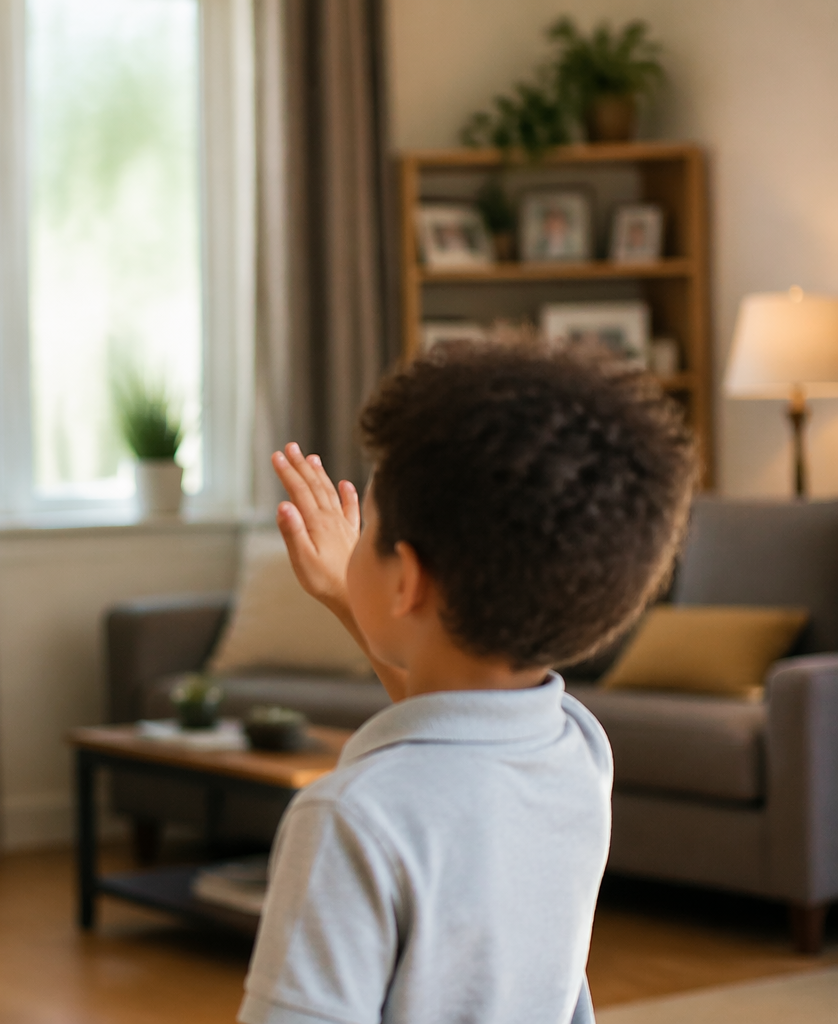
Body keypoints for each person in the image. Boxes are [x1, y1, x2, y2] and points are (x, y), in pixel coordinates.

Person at [244, 341, 697, 1024]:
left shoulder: (351, 818)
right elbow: (452, 728)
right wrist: (352, 593)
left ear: (411, 577)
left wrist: (356, 597)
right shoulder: (577, 748)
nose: (355, 541)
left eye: (369, 532)